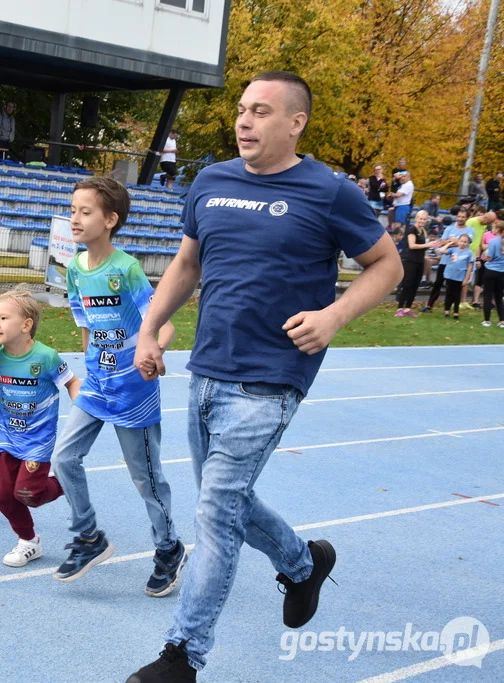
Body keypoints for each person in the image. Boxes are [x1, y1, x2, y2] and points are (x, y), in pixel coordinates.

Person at [128, 71, 401, 682]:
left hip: (272, 379)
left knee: (216, 514)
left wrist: (333, 315)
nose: (244, 121)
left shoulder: (330, 190)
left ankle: (182, 657)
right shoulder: (211, 181)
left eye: (261, 111)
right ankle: (305, 566)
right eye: (242, 110)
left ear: (295, 122)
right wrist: (149, 329)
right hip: (206, 371)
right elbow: (186, 263)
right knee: (227, 504)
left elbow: (387, 265)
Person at [50, 176, 186, 597]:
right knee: (64, 458)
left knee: (145, 478)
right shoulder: (74, 267)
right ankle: (89, 537)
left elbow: (163, 325)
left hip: (133, 390)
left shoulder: (125, 269)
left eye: (85, 212)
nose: (75, 218)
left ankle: (169, 548)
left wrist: (154, 352)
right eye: (72, 210)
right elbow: (87, 326)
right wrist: (88, 369)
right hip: (97, 384)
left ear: (110, 220)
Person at [0, 289, 81, 567]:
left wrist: (83, 408)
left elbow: (72, 382)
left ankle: (65, 480)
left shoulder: (46, 357)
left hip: (37, 439)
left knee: (29, 494)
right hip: (7, 435)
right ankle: (29, 541)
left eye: (3, 318)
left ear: (26, 325)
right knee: (1, 495)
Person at [422, 208, 473, 311]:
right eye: (459, 216)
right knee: (438, 283)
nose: (460, 219)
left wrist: (452, 242)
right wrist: (452, 241)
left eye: (463, 217)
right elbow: (441, 242)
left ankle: (452, 310)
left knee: (454, 288)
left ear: (467, 218)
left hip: (459, 265)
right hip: (445, 261)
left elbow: (465, 244)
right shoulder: (449, 228)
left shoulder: (470, 230)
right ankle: (429, 305)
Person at [396, 211, 439, 317]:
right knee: (407, 284)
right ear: (416, 218)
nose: (422, 221)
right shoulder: (412, 229)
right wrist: (427, 244)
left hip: (420, 260)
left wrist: (431, 245)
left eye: (424, 219)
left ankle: (408, 308)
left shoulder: (423, 230)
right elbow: (412, 245)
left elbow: (423, 245)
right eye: (420, 218)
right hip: (410, 260)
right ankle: (400, 308)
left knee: (415, 285)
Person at [439, 235, 475, 319]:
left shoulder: (469, 253)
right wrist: (451, 243)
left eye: (465, 242)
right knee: (449, 293)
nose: (462, 243)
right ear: (458, 241)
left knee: (456, 294)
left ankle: (456, 311)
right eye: (461, 241)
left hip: (460, 276)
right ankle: (447, 310)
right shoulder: (453, 250)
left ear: (468, 243)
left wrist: (467, 278)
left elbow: (470, 266)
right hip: (450, 274)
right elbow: (442, 250)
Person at [479, 221, 504, 327]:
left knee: (488, 296)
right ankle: (502, 320)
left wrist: (484, 256)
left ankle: (487, 320)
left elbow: (489, 258)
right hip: (502, 272)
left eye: (493, 228)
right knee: (499, 297)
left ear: (497, 229)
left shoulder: (494, 242)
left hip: (490, 271)